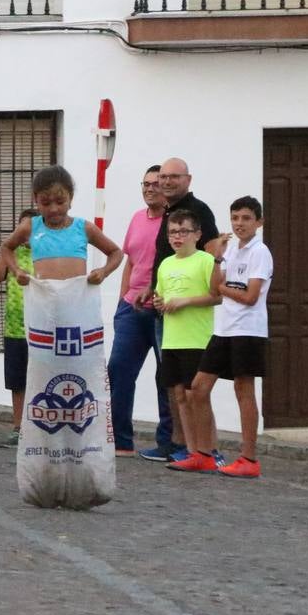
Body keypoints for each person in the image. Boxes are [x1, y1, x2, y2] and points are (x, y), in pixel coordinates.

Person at [181, 197, 272, 478]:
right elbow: (213, 289)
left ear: (258, 222)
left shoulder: (260, 252)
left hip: (248, 330)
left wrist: (223, 287)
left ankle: (249, 459)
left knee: (243, 390)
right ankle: (204, 454)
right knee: (198, 387)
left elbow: (250, 296)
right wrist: (218, 257)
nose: (239, 224)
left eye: (246, 218)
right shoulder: (231, 250)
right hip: (224, 329)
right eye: (235, 218)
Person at [142, 156, 222, 462]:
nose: (167, 181)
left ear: (188, 179)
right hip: (169, 327)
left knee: (196, 393)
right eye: (163, 177)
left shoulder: (197, 212)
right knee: (175, 390)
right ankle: (183, 447)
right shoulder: (167, 213)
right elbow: (163, 271)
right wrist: (154, 294)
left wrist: (189, 297)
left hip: (196, 331)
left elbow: (216, 275)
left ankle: (208, 450)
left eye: (174, 176)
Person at [107, 165, 174, 457]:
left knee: (166, 377)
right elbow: (131, 261)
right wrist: (122, 300)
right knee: (118, 371)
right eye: (145, 184)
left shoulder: (174, 222)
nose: (149, 188)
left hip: (163, 311)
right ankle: (121, 440)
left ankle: (167, 442)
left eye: (155, 184)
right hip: (132, 310)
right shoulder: (136, 218)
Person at [153, 209, 223, 473]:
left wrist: (185, 301)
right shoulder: (166, 264)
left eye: (184, 231)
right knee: (180, 395)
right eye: (172, 232)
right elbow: (161, 297)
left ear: (197, 234)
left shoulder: (205, 261)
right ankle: (193, 451)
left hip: (197, 338)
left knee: (198, 395)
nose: (177, 237)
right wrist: (159, 302)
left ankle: (212, 450)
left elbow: (217, 296)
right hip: (171, 339)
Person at [0, 165, 124, 285]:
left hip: (77, 302)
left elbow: (116, 252)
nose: (53, 209)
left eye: (60, 202)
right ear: (36, 200)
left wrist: (104, 272)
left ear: (70, 198)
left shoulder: (84, 228)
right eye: (46, 203)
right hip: (43, 303)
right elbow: (6, 247)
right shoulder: (30, 227)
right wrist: (16, 270)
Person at [0, 207, 37, 447]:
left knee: (39, 379)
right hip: (14, 327)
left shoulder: (45, 253)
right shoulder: (11, 253)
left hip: (40, 328)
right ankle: (19, 428)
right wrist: (6, 249)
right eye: (22, 227)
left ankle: (39, 427)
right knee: (17, 381)